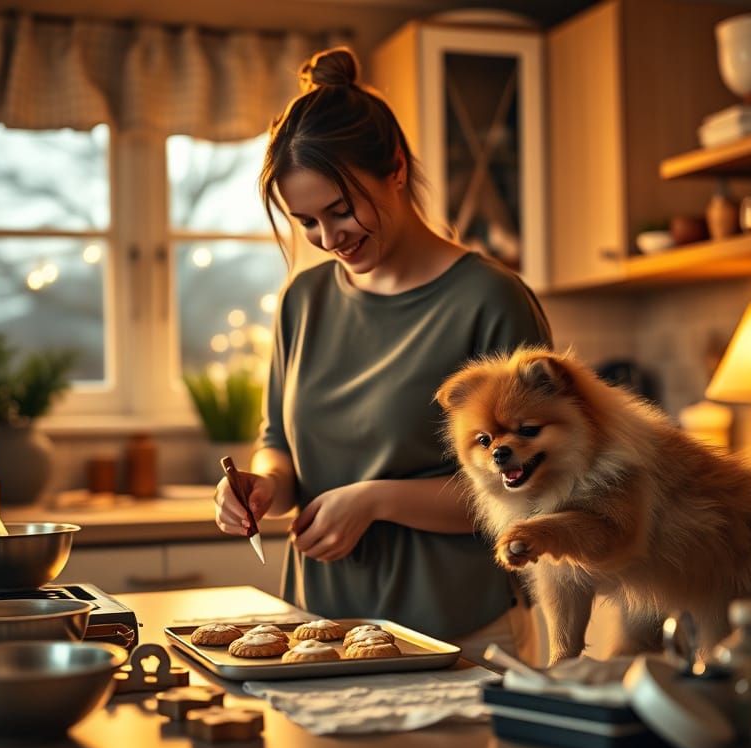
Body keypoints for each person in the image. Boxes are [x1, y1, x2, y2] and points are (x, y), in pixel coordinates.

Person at [213, 46, 553, 664]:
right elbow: (279, 444)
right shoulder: (303, 300)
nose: (327, 238)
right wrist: (261, 486)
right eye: (307, 221)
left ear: (396, 168)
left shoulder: (490, 299)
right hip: (319, 633)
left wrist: (375, 500)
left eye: (341, 210)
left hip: (465, 635)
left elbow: (533, 485)